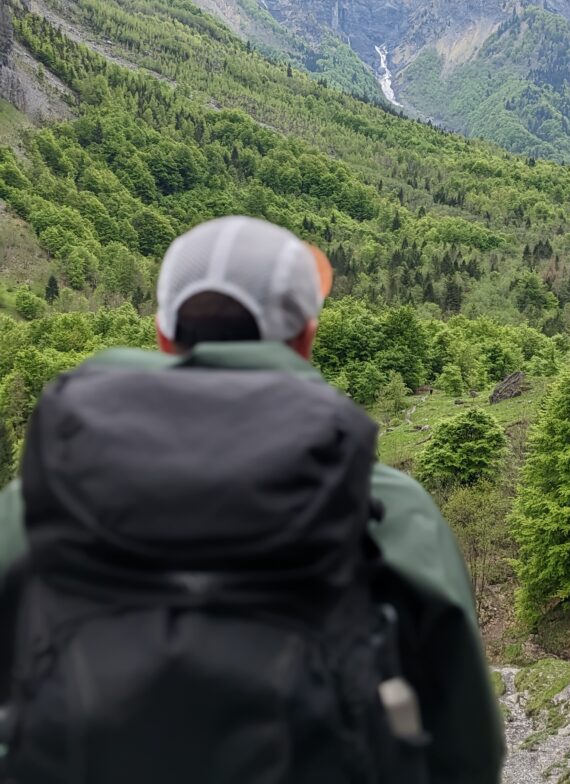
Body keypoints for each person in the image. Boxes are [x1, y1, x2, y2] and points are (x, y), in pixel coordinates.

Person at [0, 216, 504, 784]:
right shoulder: (388, 508)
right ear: (306, 338)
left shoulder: (41, 504)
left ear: (165, 337)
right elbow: (467, 753)